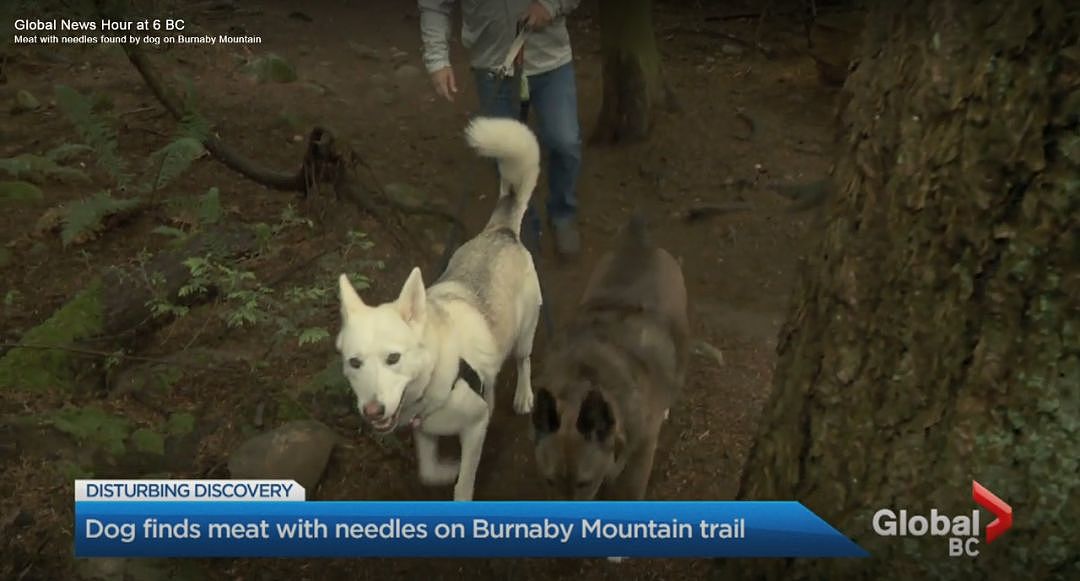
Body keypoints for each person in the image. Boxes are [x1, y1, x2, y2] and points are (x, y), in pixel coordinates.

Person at [418, 0, 584, 258]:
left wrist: (550, 6)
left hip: (551, 61)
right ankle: (524, 228)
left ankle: (563, 214)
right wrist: (437, 59)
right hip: (492, 65)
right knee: (507, 158)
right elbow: (433, 5)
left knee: (564, 141)